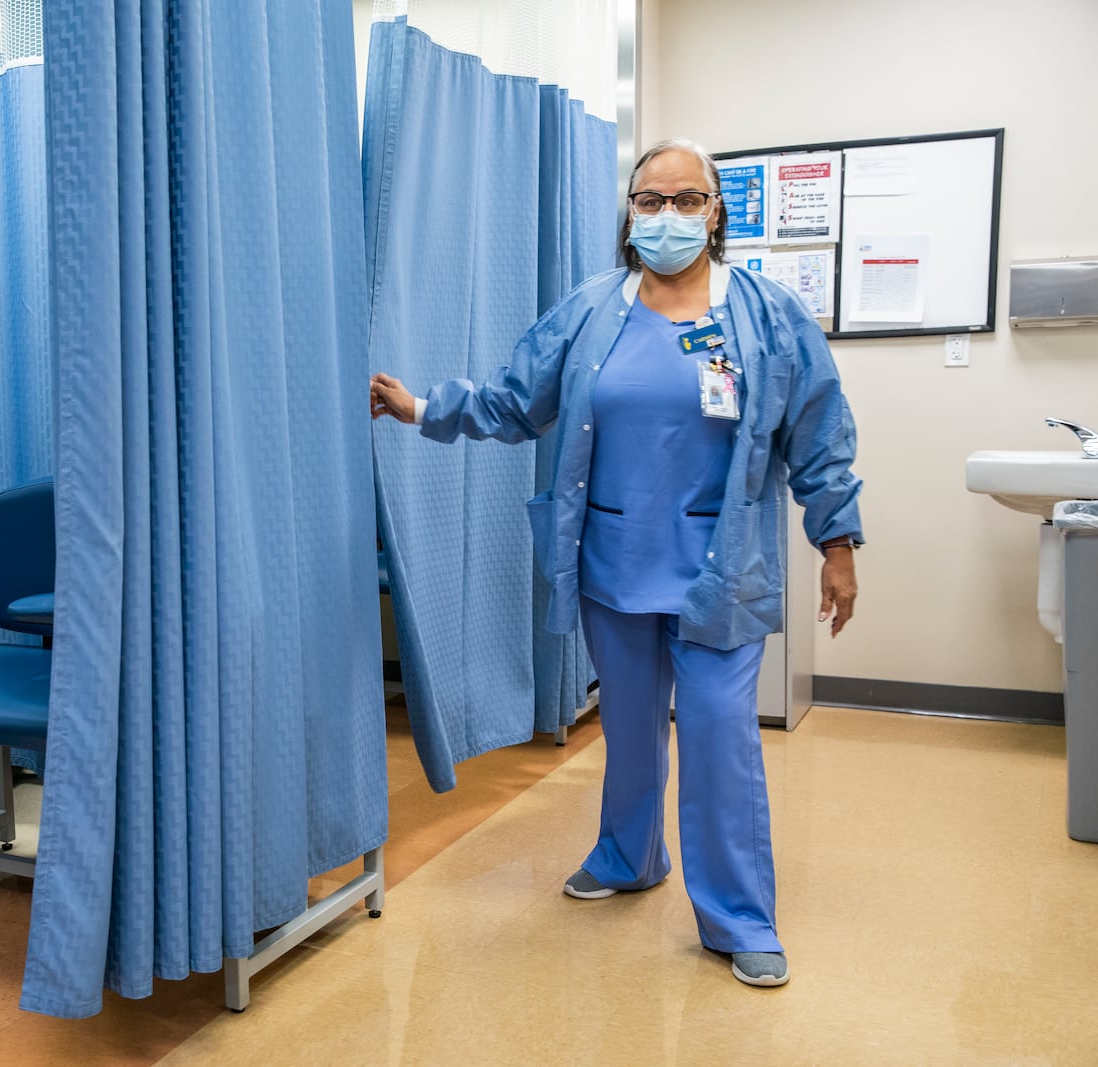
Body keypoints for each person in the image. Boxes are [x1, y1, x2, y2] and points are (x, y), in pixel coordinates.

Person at [369, 138, 862, 988]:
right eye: (649, 200)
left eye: (685, 199)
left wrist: (838, 542)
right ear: (629, 214)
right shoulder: (593, 309)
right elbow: (514, 399)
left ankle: (739, 916)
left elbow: (819, 435)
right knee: (630, 732)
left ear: (716, 211)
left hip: (722, 566)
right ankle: (630, 855)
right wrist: (423, 408)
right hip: (615, 563)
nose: (666, 215)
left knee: (719, 739)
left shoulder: (768, 315)